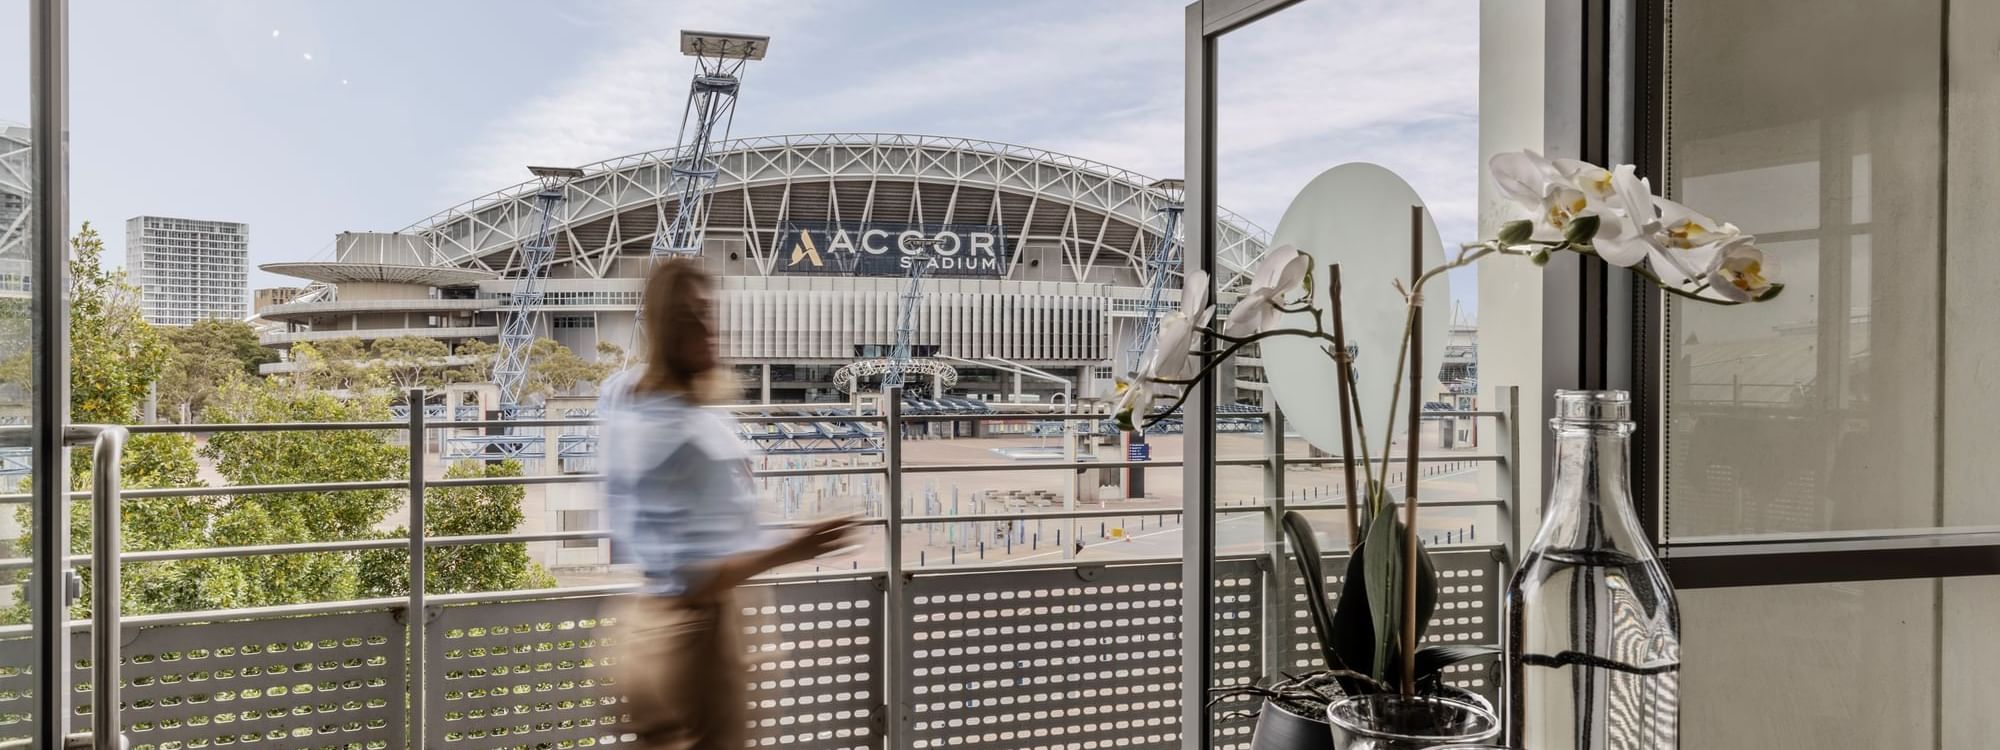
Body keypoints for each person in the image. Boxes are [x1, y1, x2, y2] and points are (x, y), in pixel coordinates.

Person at [600, 260, 856, 750]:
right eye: (689, 316)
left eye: (707, 311)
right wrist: (797, 547)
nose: (707, 328)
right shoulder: (674, 430)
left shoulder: (634, 399)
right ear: (662, 328)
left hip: (657, 624)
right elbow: (691, 573)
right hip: (696, 636)